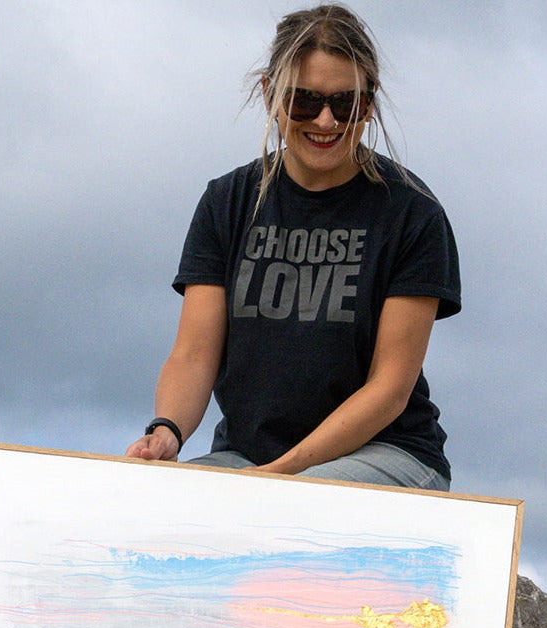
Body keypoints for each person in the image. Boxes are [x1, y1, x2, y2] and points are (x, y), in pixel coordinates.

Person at [125, 4, 460, 490]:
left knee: (287, 513)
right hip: (249, 461)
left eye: (345, 105)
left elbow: (389, 390)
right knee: (145, 501)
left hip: (388, 453)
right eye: (304, 101)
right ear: (270, 95)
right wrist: (167, 432)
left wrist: (280, 477)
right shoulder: (226, 202)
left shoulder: (413, 213)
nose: (325, 121)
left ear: (369, 105)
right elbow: (193, 354)